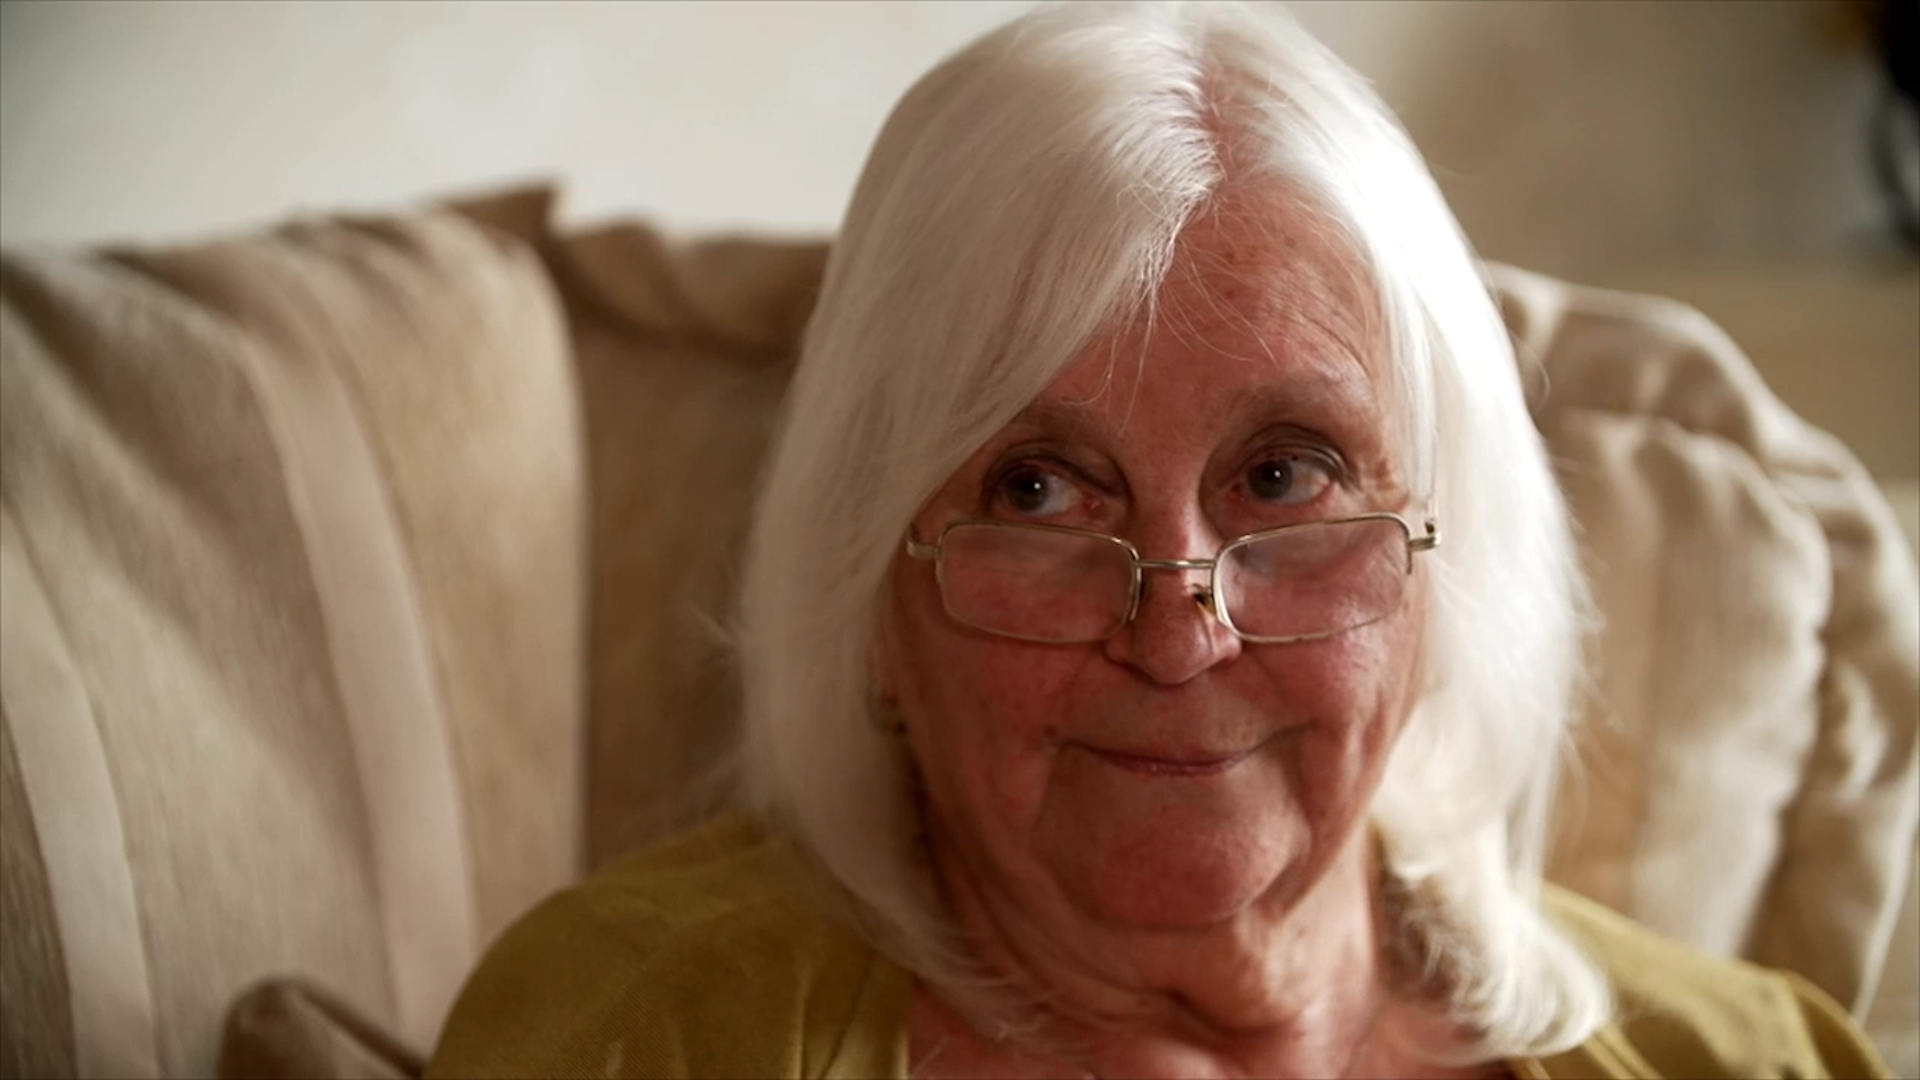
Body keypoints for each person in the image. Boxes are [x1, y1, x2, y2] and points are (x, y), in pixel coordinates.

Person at [428, 3, 1887, 1077]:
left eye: (1283, 475)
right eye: (1038, 490)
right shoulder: (640, 1034)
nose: (1178, 633)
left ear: (1445, 555)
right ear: (867, 584)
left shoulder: (1748, 1059)